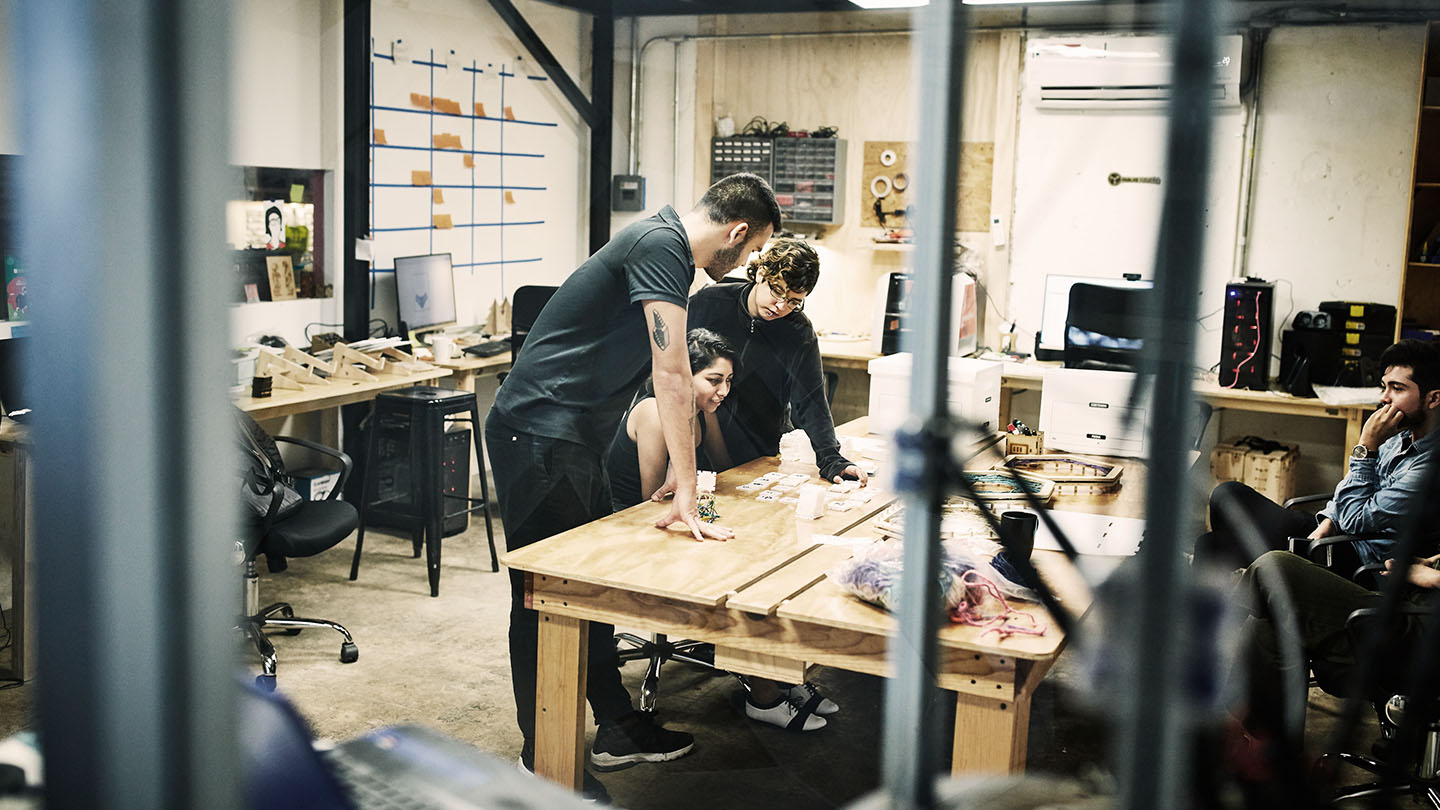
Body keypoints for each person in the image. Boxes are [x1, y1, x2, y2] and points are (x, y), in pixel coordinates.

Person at [484, 173, 780, 797]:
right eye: (753, 253)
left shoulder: (667, 249)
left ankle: (615, 725)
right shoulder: (660, 245)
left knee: (588, 592)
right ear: (738, 232)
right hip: (537, 432)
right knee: (546, 599)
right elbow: (671, 373)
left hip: (572, 436)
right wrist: (685, 483)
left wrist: (682, 475)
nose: (747, 264)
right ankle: (546, 758)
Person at [604, 329, 838, 732]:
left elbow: (725, 466)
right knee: (749, 573)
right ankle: (764, 695)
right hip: (640, 531)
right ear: (683, 375)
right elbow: (652, 502)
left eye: (729, 381)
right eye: (714, 380)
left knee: (774, 544)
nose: (724, 390)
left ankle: (783, 677)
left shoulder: (698, 411)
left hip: (677, 518)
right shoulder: (655, 415)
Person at [1196, 339, 1440, 571]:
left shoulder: (1428, 469)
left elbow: (1356, 519)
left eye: (1397, 388)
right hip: (1338, 533)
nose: (1384, 398)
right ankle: (1259, 589)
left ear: (1433, 398)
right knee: (1226, 501)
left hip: (1361, 558)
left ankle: (1262, 588)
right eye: (1384, 387)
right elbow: (1351, 491)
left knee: (1217, 539)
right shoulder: (1400, 437)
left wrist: (1366, 445)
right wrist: (1329, 522)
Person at [686, 238, 867, 485]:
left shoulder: (798, 332)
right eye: (777, 291)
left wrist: (831, 459)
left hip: (759, 449)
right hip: (698, 441)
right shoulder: (710, 302)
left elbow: (812, 402)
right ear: (761, 273)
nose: (781, 306)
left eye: (794, 301)